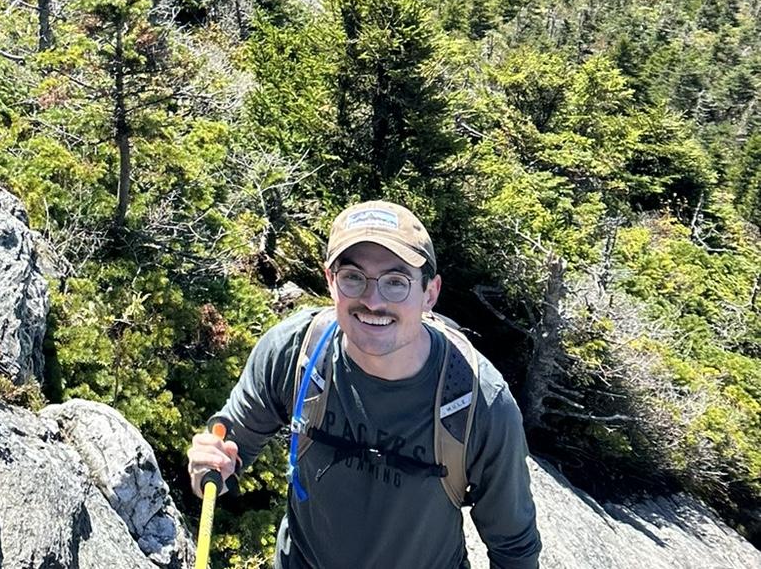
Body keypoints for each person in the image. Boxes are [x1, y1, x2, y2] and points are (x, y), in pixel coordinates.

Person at [187, 200, 540, 569]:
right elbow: (228, 451)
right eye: (353, 277)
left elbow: (514, 547)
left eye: (396, 282)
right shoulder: (294, 352)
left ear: (430, 293)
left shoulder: (477, 401)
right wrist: (208, 468)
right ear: (331, 281)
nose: (372, 301)